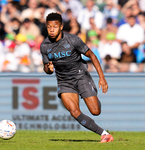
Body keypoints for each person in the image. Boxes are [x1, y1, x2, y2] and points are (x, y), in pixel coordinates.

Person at [40, 12, 114, 143]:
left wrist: (102, 78)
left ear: (61, 27)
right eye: (49, 27)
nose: (51, 30)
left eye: (55, 26)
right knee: (74, 112)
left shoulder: (72, 39)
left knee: (95, 111)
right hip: (64, 81)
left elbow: (92, 55)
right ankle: (104, 134)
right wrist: (48, 69)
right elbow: (47, 69)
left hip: (81, 76)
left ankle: (94, 98)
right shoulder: (45, 46)